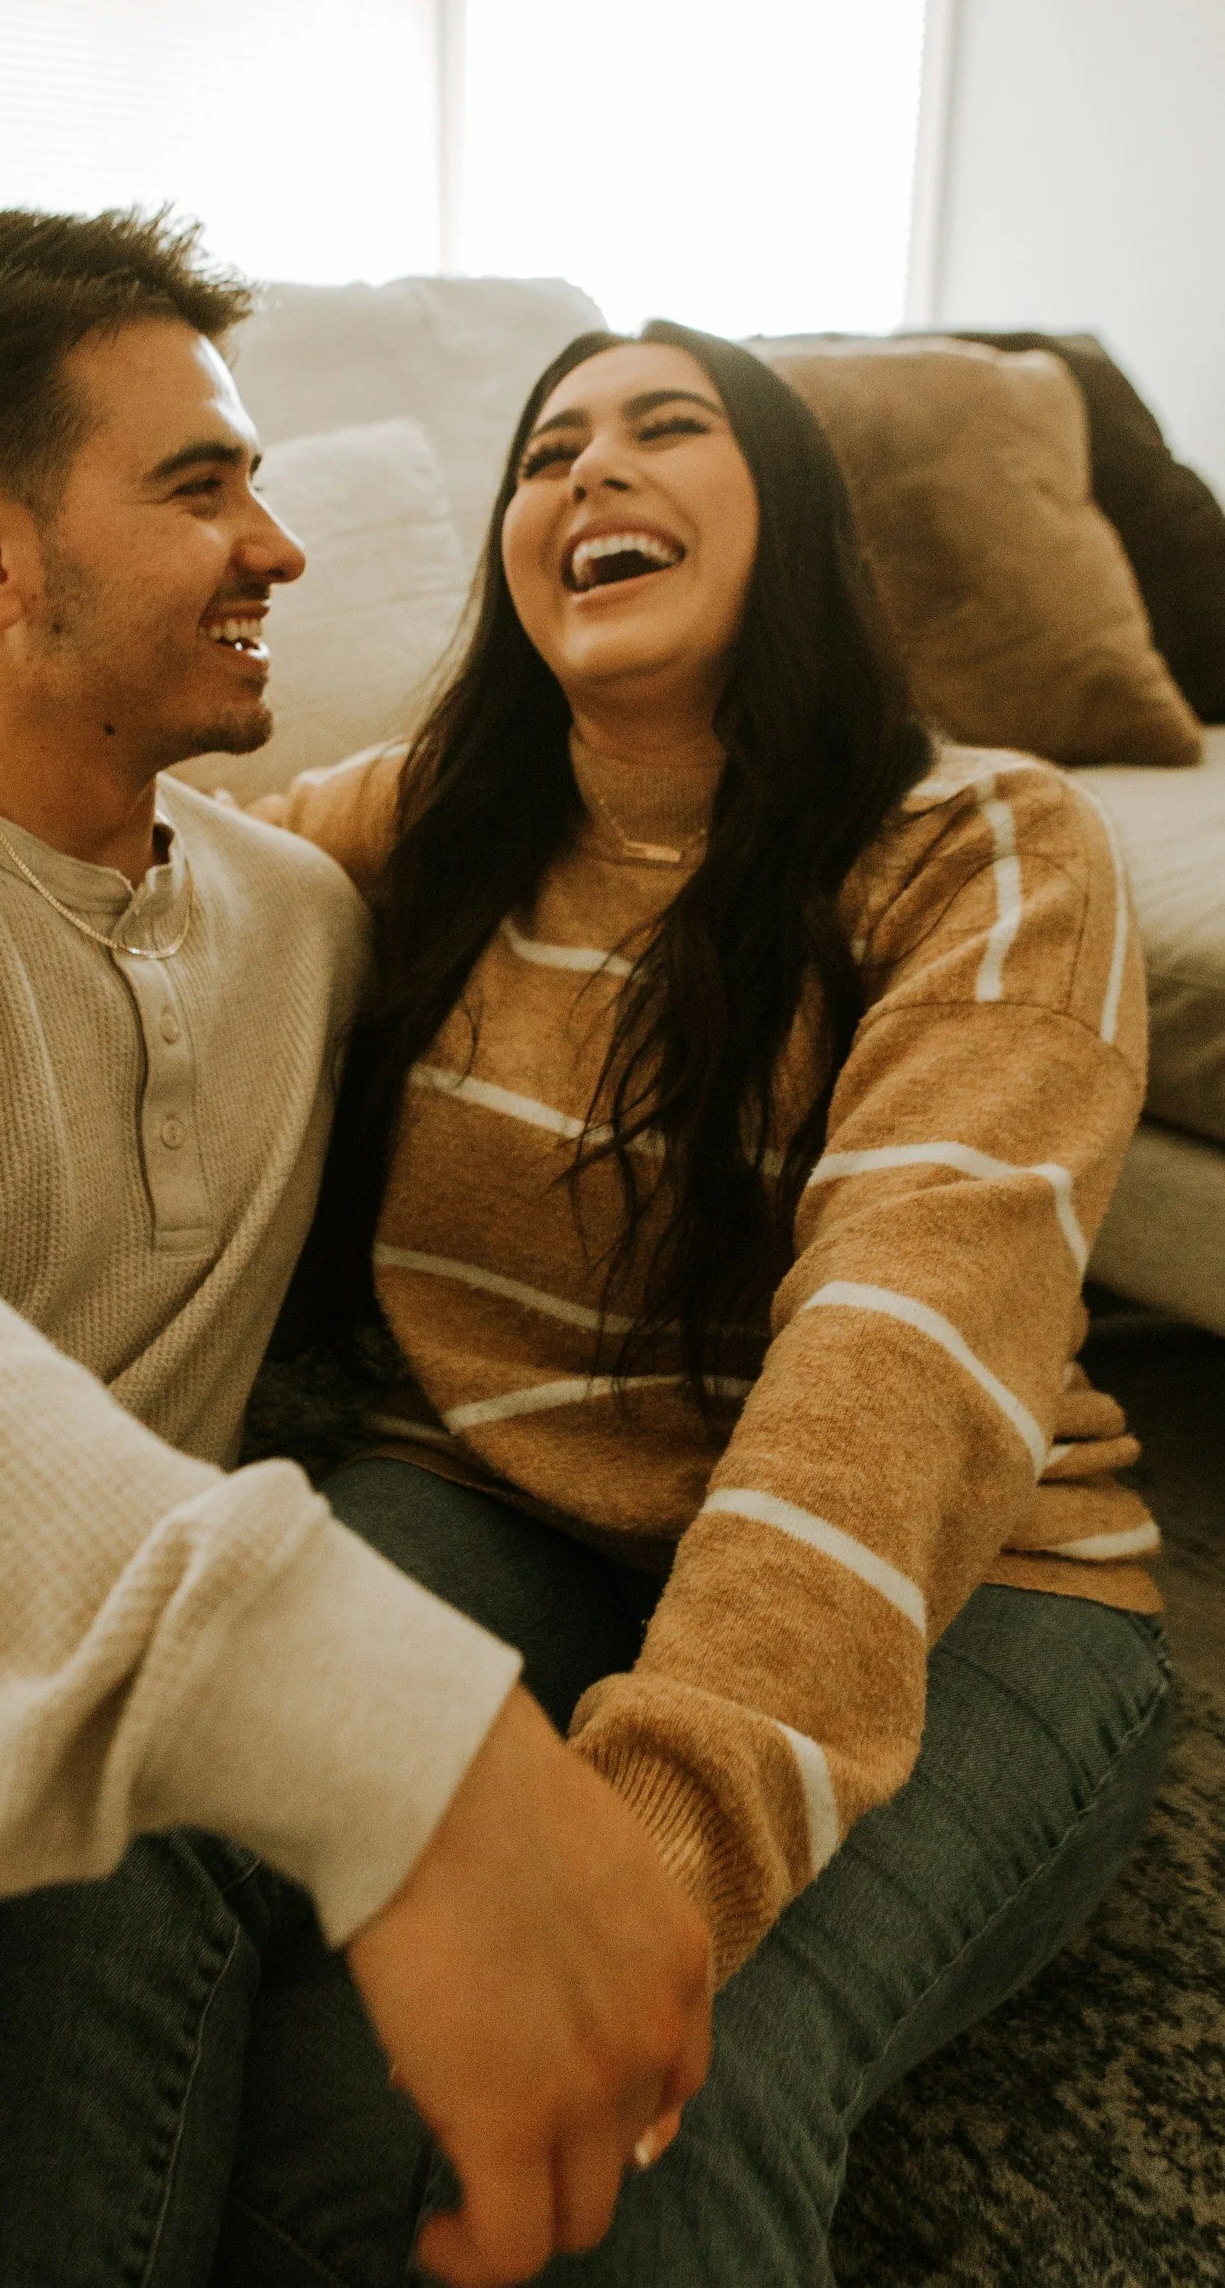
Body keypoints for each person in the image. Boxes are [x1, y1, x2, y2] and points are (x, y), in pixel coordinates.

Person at [0, 215, 711, 2288]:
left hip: (76, 1720)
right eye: (202, 485)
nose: (279, 547)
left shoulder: (301, 918)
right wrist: (386, 1721)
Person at [249, 321, 1175, 2281]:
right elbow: (129, 903)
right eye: (550, 446)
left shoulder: (982, 840)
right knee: (329, 2072)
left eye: (668, 428)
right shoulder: (428, 816)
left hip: (968, 1584)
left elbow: (905, 1339)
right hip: (497, 1496)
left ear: (796, 517)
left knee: (659, 2095)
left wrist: (645, 1845)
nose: (594, 469)